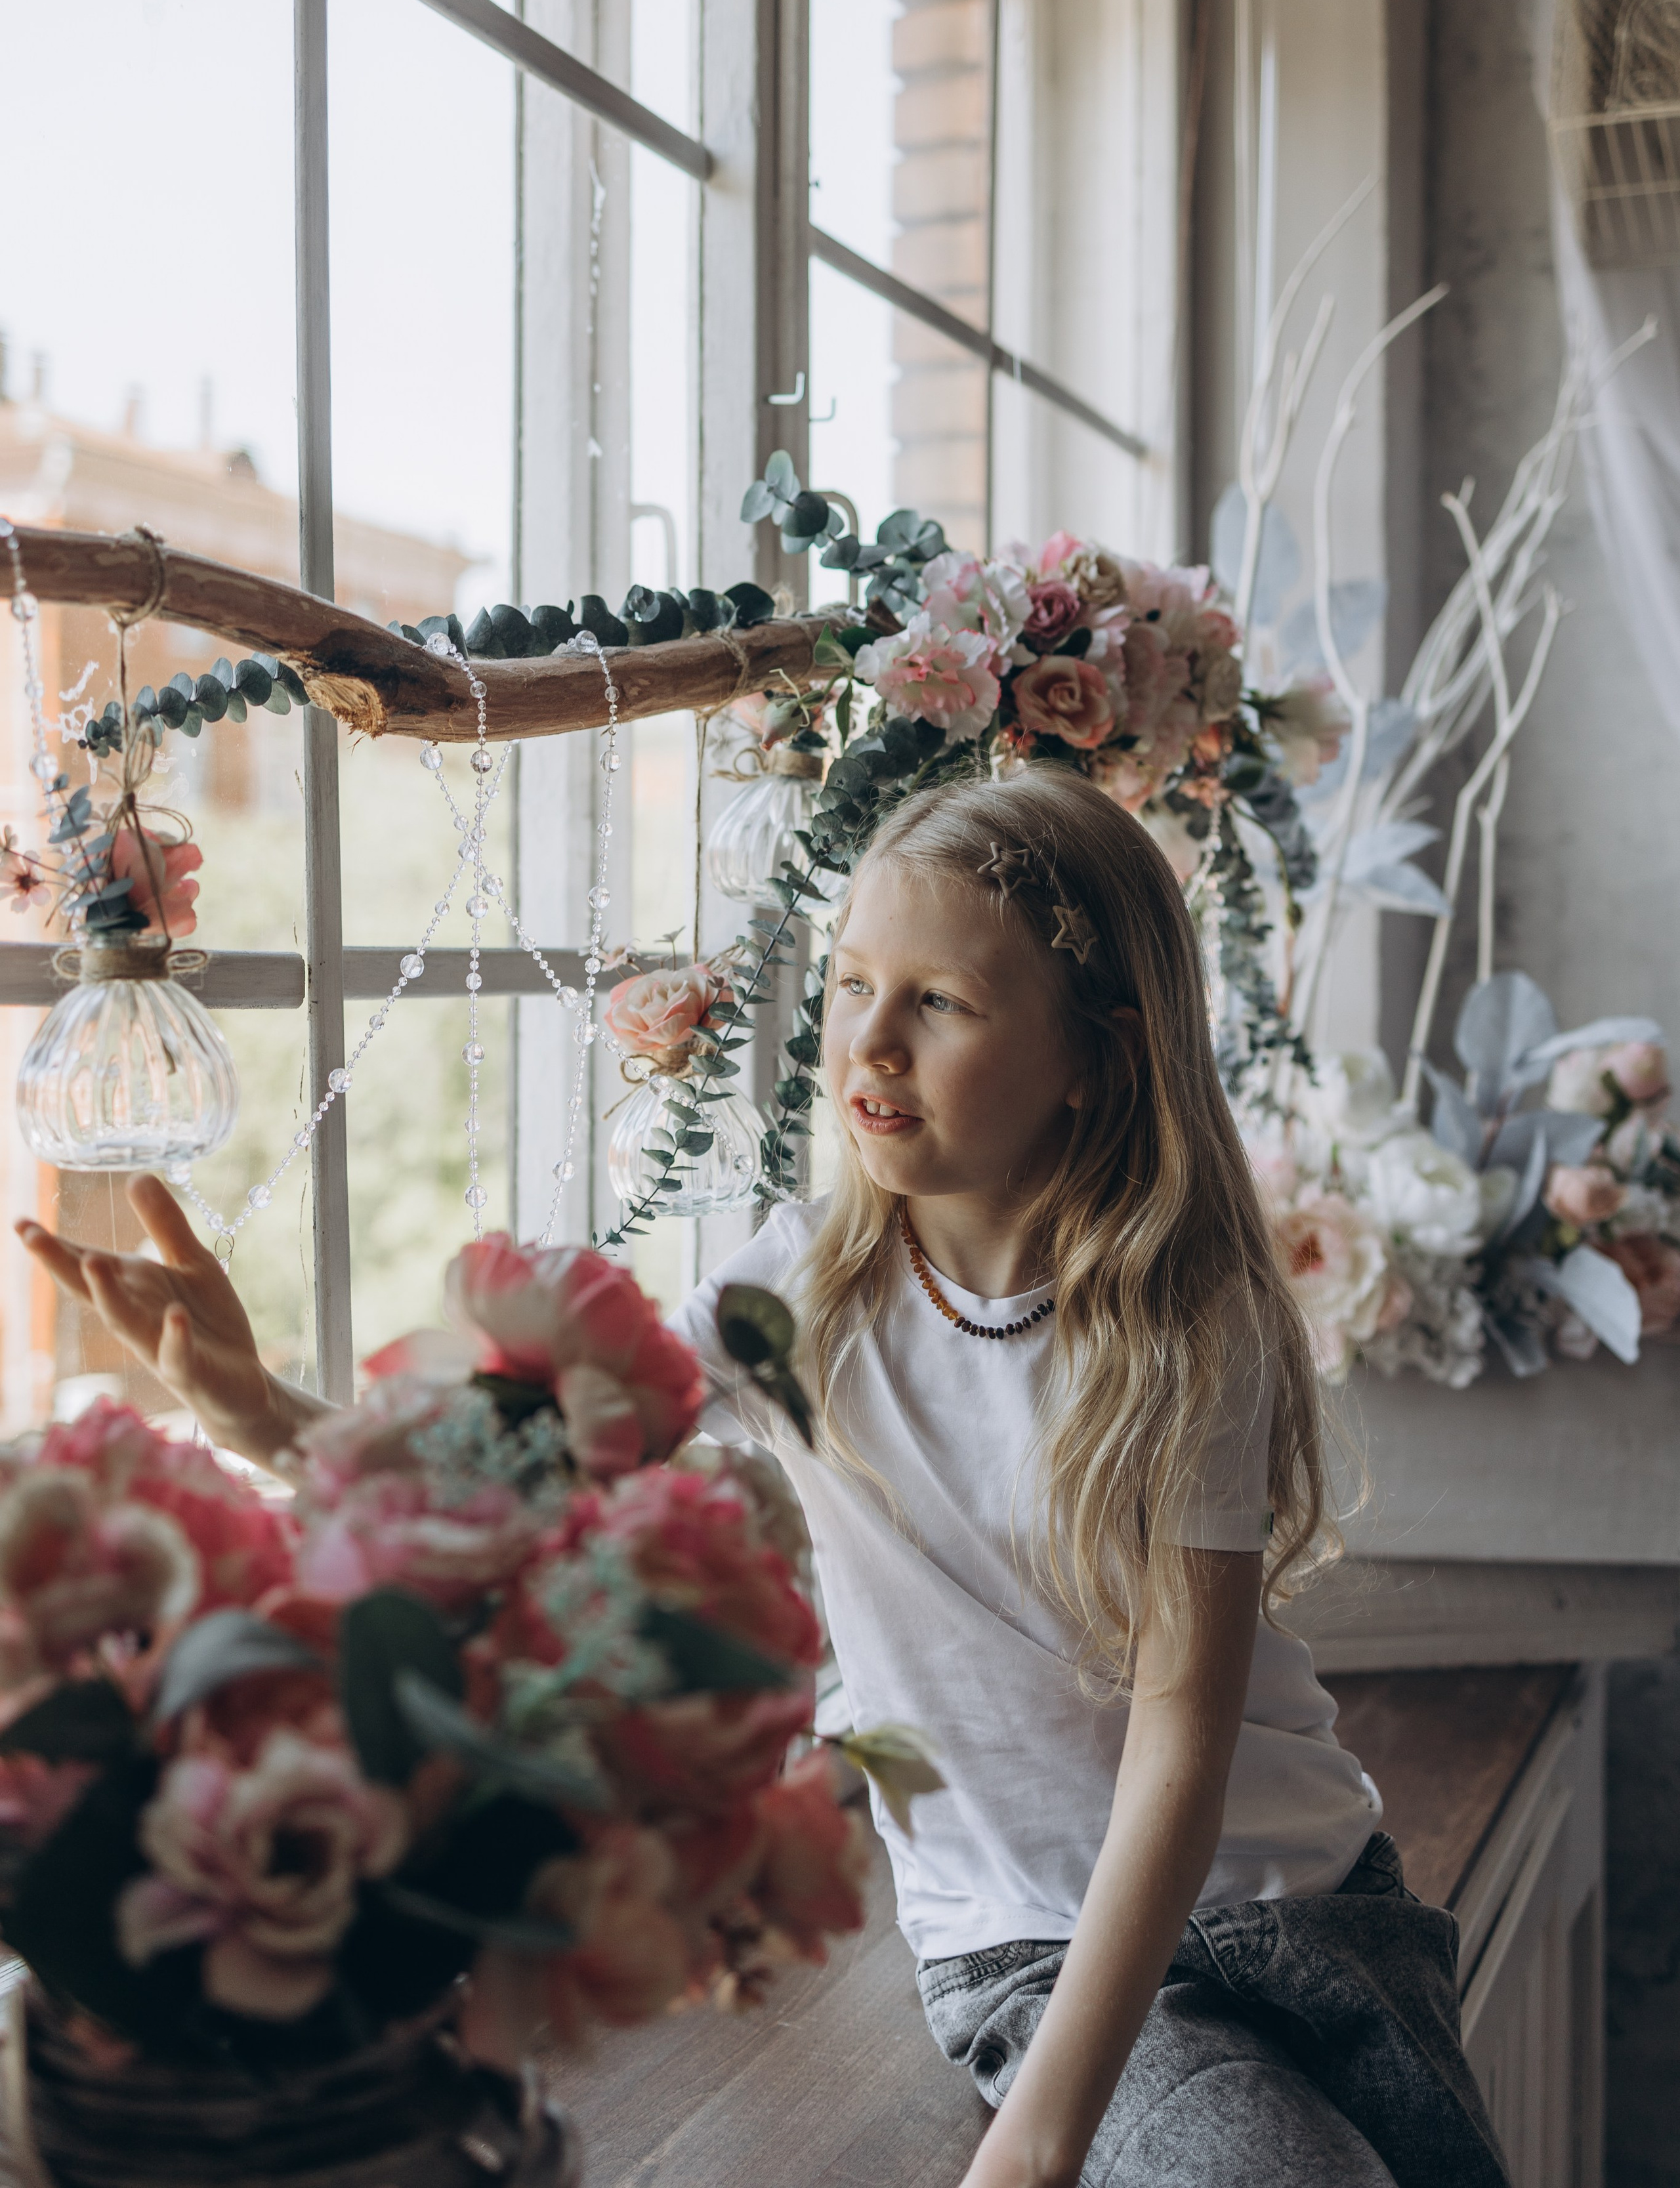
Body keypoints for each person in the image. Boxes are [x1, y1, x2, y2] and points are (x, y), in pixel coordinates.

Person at [20, 770, 1505, 2188]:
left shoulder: (1188, 1327)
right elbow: (494, 1488)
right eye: (856, 983)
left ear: (1095, 1058)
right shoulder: (800, 1293)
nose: (866, 1042)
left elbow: (1178, 1756)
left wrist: (1036, 2147)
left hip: (1300, 1906)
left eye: (939, 1002)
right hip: (1029, 1941)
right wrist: (250, 1399)